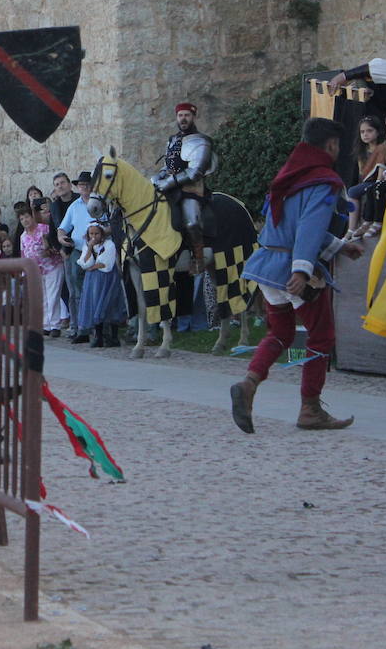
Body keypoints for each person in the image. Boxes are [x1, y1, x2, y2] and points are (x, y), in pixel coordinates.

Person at [230, 118, 365, 434]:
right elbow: (308, 228)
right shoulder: (323, 180)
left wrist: (340, 247)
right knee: (321, 336)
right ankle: (310, 409)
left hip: (267, 266)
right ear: (331, 145)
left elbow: (287, 225)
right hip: (291, 270)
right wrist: (302, 271)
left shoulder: (289, 177)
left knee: (280, 333)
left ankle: (249, 384)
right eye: (337, 146)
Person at [152, 102, 217, 273]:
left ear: (193, 117)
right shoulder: (173, 140)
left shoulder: (201, 140)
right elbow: (169, 165)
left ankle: (198, 258)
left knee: (191, 221)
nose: (183, 119)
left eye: (187, 115)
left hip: (191, 189)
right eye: (180, 115)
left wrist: (170, 181)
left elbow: (195, 171)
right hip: (170, 188)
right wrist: (159, 176)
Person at [56, 171, 96, 343]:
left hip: (96, 251)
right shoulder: (74, 205)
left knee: (94, 289)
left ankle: (96, 325)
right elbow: (62, 228)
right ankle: (80, 327)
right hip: (78, 250)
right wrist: (61, 238)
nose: (83, 188)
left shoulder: (98, 203)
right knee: (76, 291)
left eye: (86, 185)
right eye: (81, 185)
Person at [18, 202, 67, 336]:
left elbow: (54, 245)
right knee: (42, 297)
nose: (25, 221)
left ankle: (55, 325)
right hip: (36, 271)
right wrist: (24, 272)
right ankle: (45, 324)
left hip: (52, 266)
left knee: (53, 296)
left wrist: (49, 250)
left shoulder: (44, 228)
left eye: (27, 217)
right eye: (22, 219)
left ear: (33, 216)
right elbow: (23, 254)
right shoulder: (23, 236)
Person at [76, 220, 125, 348]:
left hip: (107, 279)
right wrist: (90, 249)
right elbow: (84, 263)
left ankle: (114, 337)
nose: (94, 236)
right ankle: (99, 336)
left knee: (109, 305)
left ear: (101, 234)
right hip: (93, 281)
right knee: (94, 304)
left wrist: (92, 267)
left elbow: (105, 263)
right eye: (91, 234)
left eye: (96, 233)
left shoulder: (109, 245)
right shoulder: (87, 246)